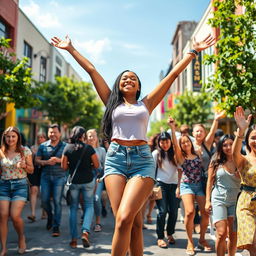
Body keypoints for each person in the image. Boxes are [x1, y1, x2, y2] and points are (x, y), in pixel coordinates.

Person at [51, 33, 215, 256]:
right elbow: (91, 70)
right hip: (116, 160)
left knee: (124, 218)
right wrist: (71, 49)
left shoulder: (146, 103)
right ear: (119, 84)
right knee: (132, 223)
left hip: (141, 161)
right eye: (124, 78)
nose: (128, 80)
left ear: (138, 86)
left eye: (133, 78)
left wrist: (193, 52)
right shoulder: (111, 101)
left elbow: (174, 74)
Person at [174, 132, 212, 255]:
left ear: (191, 143)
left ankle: (201, 239)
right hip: (187, 186)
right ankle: (190, 242)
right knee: (190, 212)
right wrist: (172, 128)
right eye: (183, 142)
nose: (185, 144)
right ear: (180, 145)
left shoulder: (198, 154)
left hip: (199, 185)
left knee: (206, 212)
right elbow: (175, 145)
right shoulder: (181, 157)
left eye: (187, 141)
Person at [61, 126, 99, 248]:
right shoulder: (89, 148)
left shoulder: (67, 148)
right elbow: (97, 165)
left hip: (74, 182)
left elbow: (64, 167)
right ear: (83, 136)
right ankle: (85, 231)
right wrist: (89, 166)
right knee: (89, 205)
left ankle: (73, 239)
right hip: (88, 181)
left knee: (73, 208)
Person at [0, 127, 34, 256]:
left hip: (20, 185)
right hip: (3, 185)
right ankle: (3, 248)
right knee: (2, 216)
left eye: (13, 136)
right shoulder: (1, 151)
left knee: (14, 216)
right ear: (4, 137)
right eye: (8, 136)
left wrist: (25, 166)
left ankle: (21, 237)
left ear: (18, 137)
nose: (10, 139)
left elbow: (31, 170)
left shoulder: (25, 151)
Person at [205, 134, 240, 256]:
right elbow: (209, 181)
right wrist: (207, 201)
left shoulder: (240, 159)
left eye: (231, 144)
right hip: (218, 199)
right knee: (221, 233)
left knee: (233, 234)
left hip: (235, 200)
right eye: (225, 145)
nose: (229, 147)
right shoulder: (215, 160)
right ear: (221, 146)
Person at [232, 106, 256, 256]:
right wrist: (241, 132)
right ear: (247, 140)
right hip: (246, 204)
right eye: (253, 137)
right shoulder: (243, 160)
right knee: (253, 243)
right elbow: (234, 152)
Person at [35, 124, 66, 237]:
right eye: (50, 132)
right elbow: (37, 160)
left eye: (55, 132)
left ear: (60, 133)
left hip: (60, 177)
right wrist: (46, 162)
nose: (52, 134)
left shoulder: (65, 146)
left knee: (57, 201)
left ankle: (56, 226)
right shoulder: (43, 146)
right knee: (44, 200)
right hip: (45, 177)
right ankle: (50, 216)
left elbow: (68, 161)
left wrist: (58, 160)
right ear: (48, 133)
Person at [152, 127, 179, 248]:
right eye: (162, 142)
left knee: (173, 212)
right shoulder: (156, 154)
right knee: (162, 212)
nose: (165, 144)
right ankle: (160, 237)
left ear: (171, 141)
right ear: (159, 142)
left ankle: (170, 233)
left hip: (174, 185)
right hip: (160, 184)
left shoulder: (176, 153)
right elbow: (151, 171)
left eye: (167, 141)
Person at [86, 128, 106, 232]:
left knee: (96, 199)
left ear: (97, 137)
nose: (92, 138)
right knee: (86, 200)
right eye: (89, 136)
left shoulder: (101, 150)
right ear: (86, 137)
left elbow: (105, 166)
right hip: (86, 177)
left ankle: (98, 223)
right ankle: (86, 221)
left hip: (98, 177)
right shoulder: (84, 149)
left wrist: (102, 177)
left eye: (93, 135)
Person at [27, 132, 47, 222]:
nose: (40, 139)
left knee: (44, 192)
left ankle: (44, 211)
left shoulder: (47, 148)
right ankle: (33, 214)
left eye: (42, 137)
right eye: (39, 137)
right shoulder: (32, 148)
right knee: (33, 190)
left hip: (44, 170)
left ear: (45, 138)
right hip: (34, 171)